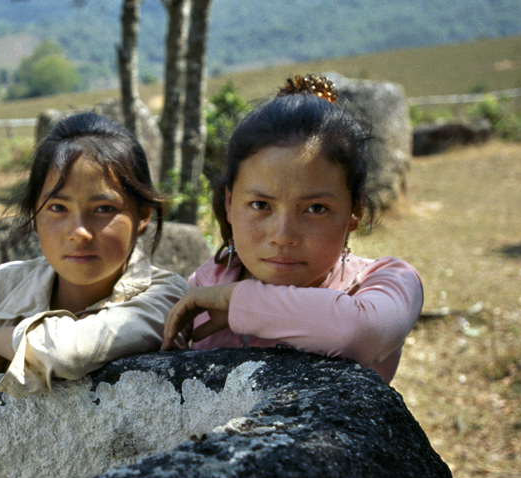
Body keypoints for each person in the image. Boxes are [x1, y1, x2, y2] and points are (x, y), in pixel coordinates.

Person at [162, 74, 423, 384]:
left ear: (356, 210)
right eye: (261, 205)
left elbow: (357, 332)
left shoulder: (388, 282)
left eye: (315, 209)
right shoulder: (207, 283)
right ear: (230, 204)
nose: (283, 236)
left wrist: (236, 300)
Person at [0, 111, 189, 396]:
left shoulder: (169, 298)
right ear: (34, 215)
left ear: (143, 217)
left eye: (103, 209)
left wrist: (2, 340)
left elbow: (70, 354)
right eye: (58, 208)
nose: (78, 232)